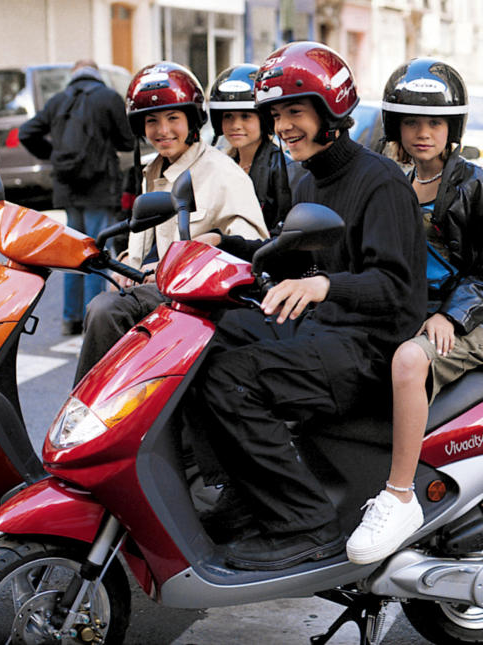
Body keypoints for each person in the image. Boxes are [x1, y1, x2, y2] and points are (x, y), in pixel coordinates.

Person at [184, 41, 426, 571]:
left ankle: (306, 523)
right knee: (199, 342)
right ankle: (239, 492)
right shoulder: (308, 177)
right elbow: (296, 261)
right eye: (276, 115)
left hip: (367, 349)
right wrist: (231, 251)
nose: (283, 126)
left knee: (234, 378)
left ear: (331, 110)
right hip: (322, 329)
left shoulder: (379, 183)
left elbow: (394, 288)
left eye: (295, 111)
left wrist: (325, 287)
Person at [343, 58, 483, 565]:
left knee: (409, 362)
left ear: (452, 129)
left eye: (435, 123)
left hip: (466, 320)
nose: (423, 133)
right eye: (412, 123)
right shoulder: (386, 179)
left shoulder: (473, 184)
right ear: (395, 127)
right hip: (402, 310)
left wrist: (452, 316)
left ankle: (398, 498)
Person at [73, 62, 268, 383]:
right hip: (160, 293)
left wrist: (176, 266)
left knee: (106, 310)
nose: (163, 131)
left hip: (202, 302)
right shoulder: (152, 171)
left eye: (173, 118)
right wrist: (124, 267)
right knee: (107, 301)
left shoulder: (222, 173)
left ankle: (85, 413)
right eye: (152, 121)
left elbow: (249, 252)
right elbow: (141, 241)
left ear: (192, 120)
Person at [19, 60, 135, 336]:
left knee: (72, 254)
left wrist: (54, 155)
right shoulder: (108, 98)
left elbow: (27, 132)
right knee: (96, 252)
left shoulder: (58, 100)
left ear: (74, 76)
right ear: (97, 74)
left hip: (68, 187)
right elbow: (128, 141)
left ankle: (70, 318)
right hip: (100, 185)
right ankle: (91, 319)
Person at [208, 64, 292, 232]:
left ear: (264, 120)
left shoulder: (284, 168)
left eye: (245, 116)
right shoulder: (221, 167)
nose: (235, 125)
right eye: (228, 116)